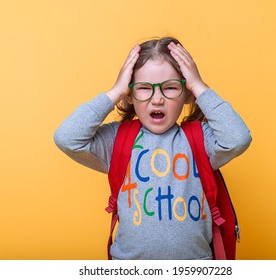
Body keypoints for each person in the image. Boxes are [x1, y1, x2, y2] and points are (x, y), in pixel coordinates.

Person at [54, 37, 252, 260]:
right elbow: (67, 137)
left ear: (187, 94)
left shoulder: (201, 140)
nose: (157, 99)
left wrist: (199, 86)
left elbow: (238, 138)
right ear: (130, 95)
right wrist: (116, 91)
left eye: (170, 88)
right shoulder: (117, 140)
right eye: (144, 88)